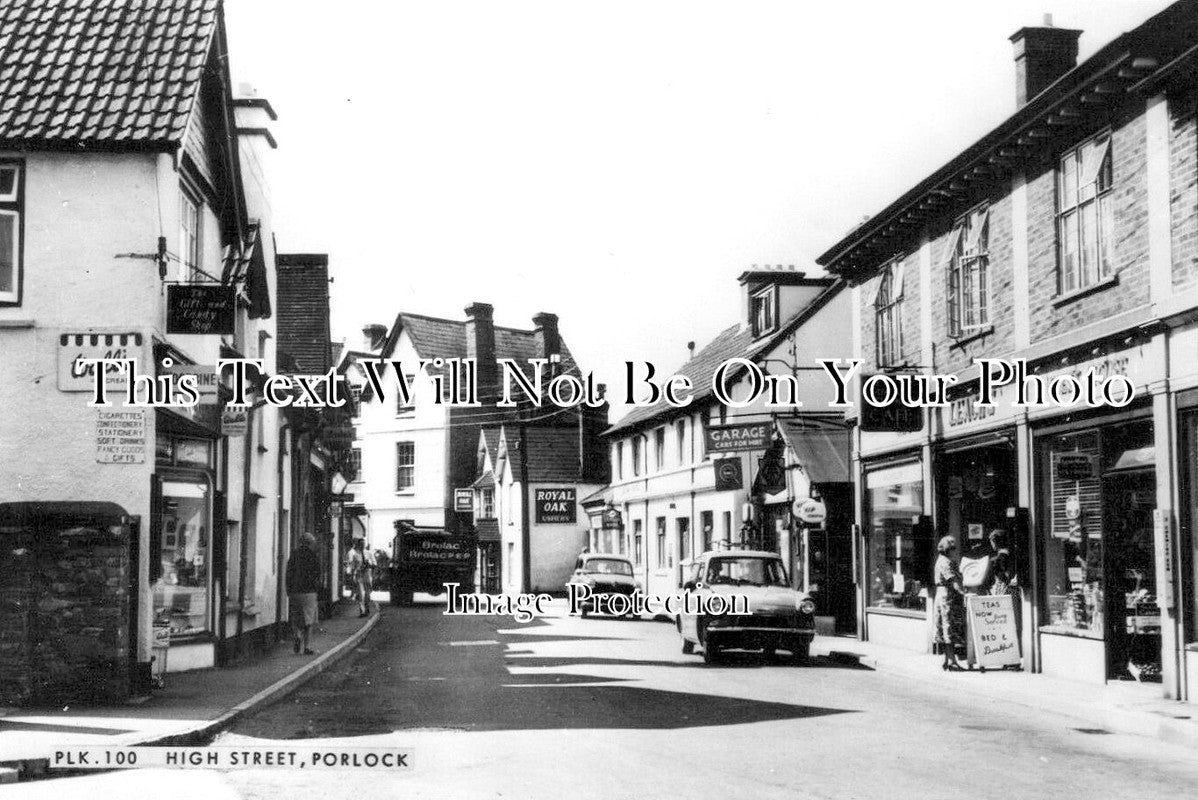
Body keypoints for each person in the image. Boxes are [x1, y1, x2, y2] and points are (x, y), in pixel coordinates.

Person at [933, 535, 966, 671]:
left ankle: (947, 660)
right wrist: (964, 594)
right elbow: (954, 582)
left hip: (941, 594)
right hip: (947, 596)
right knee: (949, 627)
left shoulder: (941, 560)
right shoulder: (946, 562)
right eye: (953, 548)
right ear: (948, 549)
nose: (954, 550)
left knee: (945, 627)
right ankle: (952, 661)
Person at [286, 532, 322, 655]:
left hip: (295, 591)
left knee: (296, 617)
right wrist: (317, 588)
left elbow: (288, 573)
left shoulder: (294, 555)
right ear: (310, 543)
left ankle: (297, 635)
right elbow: (318, 574)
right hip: (309, 591)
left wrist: (288, 589)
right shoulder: (313, 556)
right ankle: (307, 647)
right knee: (308, 620)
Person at [348, 538, 374, 617]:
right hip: (359, 575)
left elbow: (374, 563)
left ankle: (367, 607)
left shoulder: (369, 553)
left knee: (367, 593)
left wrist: (369, 563)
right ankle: (362, 611)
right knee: (360, 594)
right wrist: (352, 577)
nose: (362, 545)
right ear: (358, 545)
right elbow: (353, 567)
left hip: (367, 574)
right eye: (361, 544)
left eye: (363, 543)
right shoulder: (355, 555)